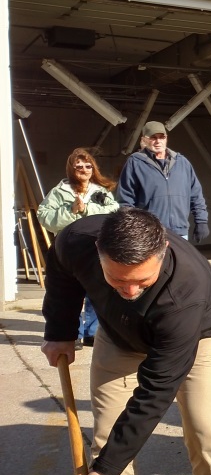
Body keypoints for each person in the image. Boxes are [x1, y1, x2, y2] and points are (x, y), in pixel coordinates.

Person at [40, 208, 211, 475]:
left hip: (194, 338)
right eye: (118, 279)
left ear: (162, 254)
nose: (130, 291)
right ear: (98, 252)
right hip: (119, 334)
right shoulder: (76, 240)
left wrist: (104, 470)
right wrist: (60, 331)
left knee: (207, 435)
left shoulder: (185, 292)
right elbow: (62, 273)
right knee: (107, 442)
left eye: (141, 281)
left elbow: (155, 393)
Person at [37, 148, 120, 347]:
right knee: (67, 293)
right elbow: (44, 216)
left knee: (95, 291)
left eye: (88, 165)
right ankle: (71, 335)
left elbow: (114, 211)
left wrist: (88, 209)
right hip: (67, 250)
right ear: (71, 169)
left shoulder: (100, 191)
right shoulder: (59, 192)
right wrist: (70, 211)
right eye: (79, 166)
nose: (84, 169)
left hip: (94, 249)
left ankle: (92, 333)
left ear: (94, 168)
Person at [116, 121, 209, 242]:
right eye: (153, 137)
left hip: (180, 232)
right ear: (144, 139)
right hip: (150, 233)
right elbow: (126, 200)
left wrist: (201, 221)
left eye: (161, 137)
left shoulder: (182, 162)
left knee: (179, 262)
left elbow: (196, 195)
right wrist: (131, 228)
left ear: (166, 139)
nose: (158, 141)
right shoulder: (135, 163)